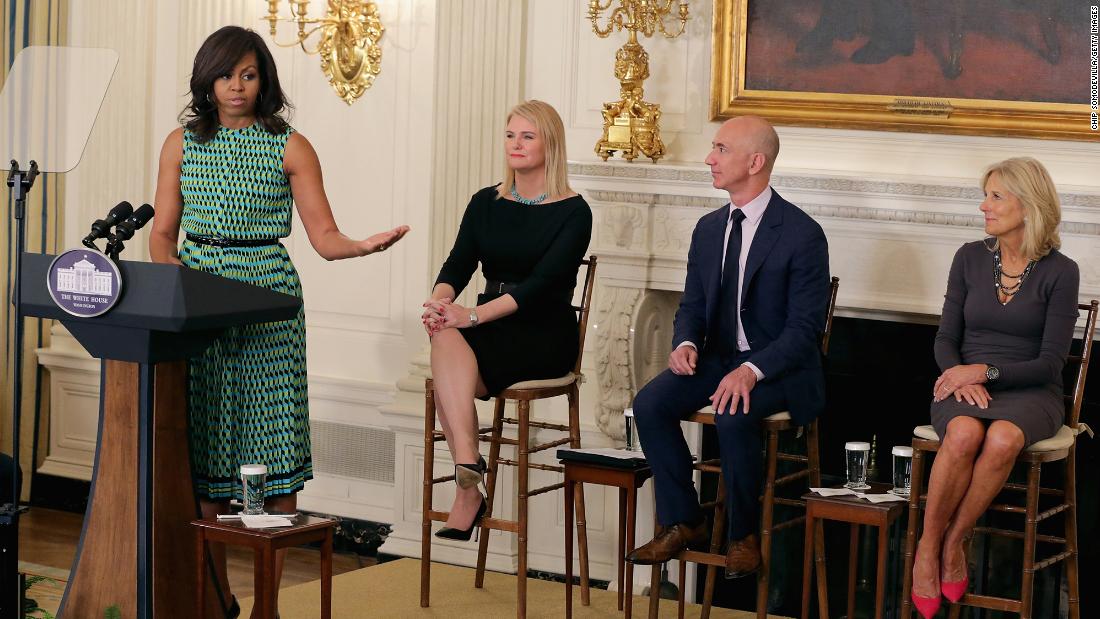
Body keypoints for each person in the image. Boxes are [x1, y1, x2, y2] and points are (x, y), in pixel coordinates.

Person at [149, 26, 408, 619]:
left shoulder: (291, 145)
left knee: (271, 434)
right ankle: (215, 596)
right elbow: (162, 234)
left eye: (248, 74)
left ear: (263, 79)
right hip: (199, 294)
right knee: (206, 433)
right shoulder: (181, 142)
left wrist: (363, 246)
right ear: (206, 81)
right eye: (225, 75)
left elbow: (324, 236)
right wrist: (176, 285)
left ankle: (269, 597)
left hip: (269, 296)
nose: (236, 86)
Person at [626, 116, 831, 578]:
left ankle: (743, 534)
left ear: (755, 161)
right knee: (650, 403)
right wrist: (682, 342)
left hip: (780, 369)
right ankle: (685, 520)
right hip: (717, 358)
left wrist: (752, 370)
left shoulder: (802, 234)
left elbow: (803, 332)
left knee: (733, 410)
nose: (708, 159)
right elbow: (692, 305)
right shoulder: (708, 228)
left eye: (720, 149)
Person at [910, 157, 1079, 618]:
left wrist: (985, 372)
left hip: (1030, 391)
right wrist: (959, 375)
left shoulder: (1062, 272)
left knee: (1002, 436)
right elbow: (945, 339)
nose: (984, 206)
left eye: (996, 196)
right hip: (963, 383)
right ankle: (927, 548)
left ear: (1029, 205)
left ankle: (953, 542)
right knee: (964, 433)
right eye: (985, 195)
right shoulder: (968, 257)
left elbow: (1049, 364)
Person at [421, 100, 592, 541]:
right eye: (510, 134)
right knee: (443, 334)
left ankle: (468, 489)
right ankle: (469, 468)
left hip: (542, 330)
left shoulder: (574, 212)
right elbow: (458, 264)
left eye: (527, 136)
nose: (515, 144)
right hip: (486, 326)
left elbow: (537, 288)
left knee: (451, 363)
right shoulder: (486, 201)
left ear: (550, 143)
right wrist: (441, 303)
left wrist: (471, 315)